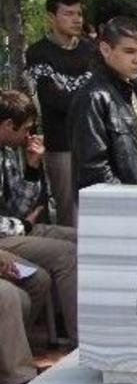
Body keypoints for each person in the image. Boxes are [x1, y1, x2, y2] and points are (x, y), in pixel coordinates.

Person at [0, 90, 78, 358]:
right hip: (8, 234)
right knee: (65, 255)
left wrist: (33, 167)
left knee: (79, 238)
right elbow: (20, 217)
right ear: (8, 125)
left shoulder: (8, 153)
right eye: (27, 129)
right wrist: (22, 224)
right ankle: (81, 342)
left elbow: (18, 206)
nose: (29, 135)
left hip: (14, 227)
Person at [24, 0, 95, 227]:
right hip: (62, 145)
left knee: (97, 213)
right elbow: (52, 99)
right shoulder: (38, 53)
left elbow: (100, 95)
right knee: (71, 217)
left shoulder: (91, 50)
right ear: (51, 17)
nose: (77, 19)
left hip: (94, 143)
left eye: (79, 13)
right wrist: (87, 97)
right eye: (68, 13)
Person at [69, 16, 137, 191]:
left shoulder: (130, 89)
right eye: (129, 51)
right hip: (115, 207)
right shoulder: (94, 97)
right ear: (105, 49)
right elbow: (94, 169)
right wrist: (125, 201)